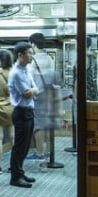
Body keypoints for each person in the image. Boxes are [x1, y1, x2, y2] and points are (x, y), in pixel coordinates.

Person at [28, 32, 62, 167]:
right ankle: (49, 152)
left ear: (33, 44)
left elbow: (30, 80)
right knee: (48, 126)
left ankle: (40, 153)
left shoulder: (33, 60)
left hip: (38, 96)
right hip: (50, 95)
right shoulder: (49, 59)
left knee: (39, 126)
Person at [7, 41, 38, 188]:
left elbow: (34, 89)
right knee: (19, 146)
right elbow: (27, 93)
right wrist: (34, 90)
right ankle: (15, 177)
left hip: (29, 111)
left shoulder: (27, 70)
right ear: (20, 55)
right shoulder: (16, 73)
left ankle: (20, 171)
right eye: (30, 53)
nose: (32, 55)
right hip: (21, 112)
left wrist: (34, 90)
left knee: (25, 146)